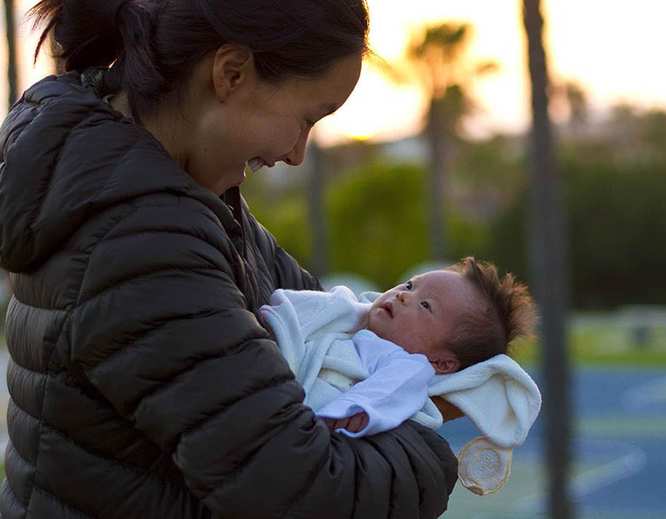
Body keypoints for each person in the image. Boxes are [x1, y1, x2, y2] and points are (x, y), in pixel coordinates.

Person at [0, 1, 459, 518]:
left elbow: (333, 324)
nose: (297, 153)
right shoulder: (140, 240)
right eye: (307, 118)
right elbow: (302, 491)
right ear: (231, 73)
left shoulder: (174, 196)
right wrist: (432, 443)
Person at [258, 257, 538, 437]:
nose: (404, 296)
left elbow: (389, 390)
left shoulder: (405, 363)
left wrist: (351, 410)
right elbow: (293, 311)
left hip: (305, 417)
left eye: (426, 305)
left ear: (440, 363)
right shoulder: (347, 311)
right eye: (409, 285)